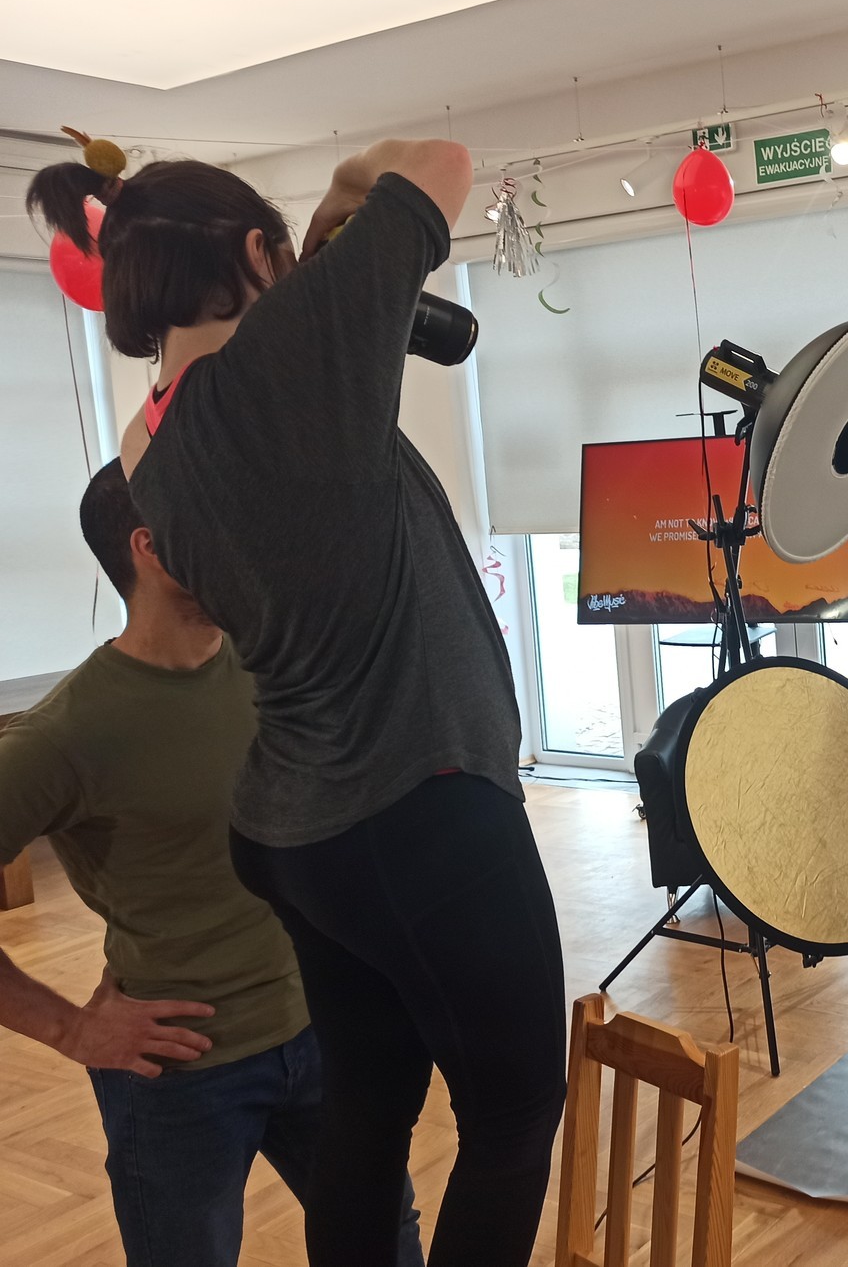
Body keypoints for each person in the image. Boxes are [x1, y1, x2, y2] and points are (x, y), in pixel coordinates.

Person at [28, 139, 566, 1267]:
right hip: (422, 796)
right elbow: (438, 161)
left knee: (369, 1107)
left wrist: (308, 249)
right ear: (255, 254)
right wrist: (342, 192)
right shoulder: (295, 363)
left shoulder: (147, 444)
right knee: (514, 1112)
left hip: (299, 831)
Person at [0, 460, 423, 1267]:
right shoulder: (64, 735)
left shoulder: (273, 666)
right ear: (153, 548)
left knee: (385, 1244)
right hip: (178, 1078)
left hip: (322, 1034)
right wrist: (68, 1027)